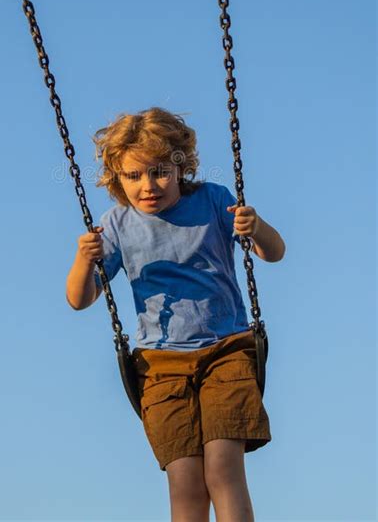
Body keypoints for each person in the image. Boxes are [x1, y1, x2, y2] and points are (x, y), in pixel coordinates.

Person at [66, 106, 285, 522]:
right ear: (117, 178)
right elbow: (79, 299)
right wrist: (83, 260)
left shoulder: (212, 201)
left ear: (181, 167)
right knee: (185, 482)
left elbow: (274, 252)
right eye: (134, 176)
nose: (148, 185)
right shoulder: (116, 225)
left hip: (226, 351)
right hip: (160, 366)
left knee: (223, 468)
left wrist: (256, 228)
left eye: (160, 171)